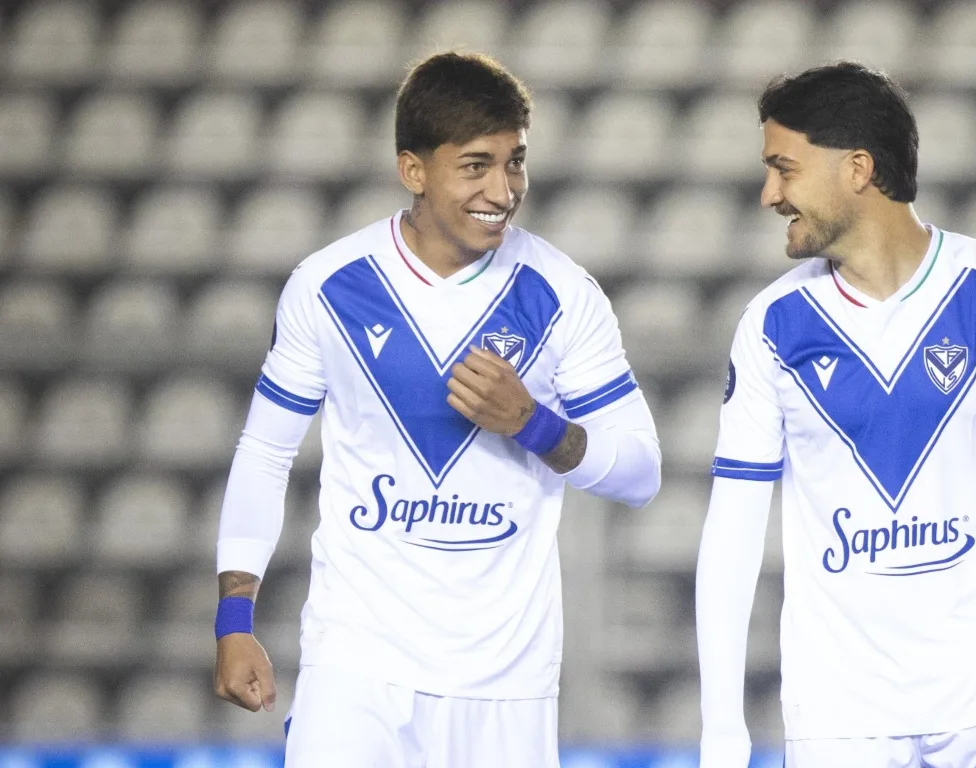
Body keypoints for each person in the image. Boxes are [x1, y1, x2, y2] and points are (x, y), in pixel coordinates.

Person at [211, 52, 662, 768]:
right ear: (413, 170)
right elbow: (265, 453)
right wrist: (235, 617)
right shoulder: (329, 286)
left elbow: (640, 471)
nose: (503, 189)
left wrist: (535, 425)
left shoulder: (563, 293)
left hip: (506, 682)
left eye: (515, 163)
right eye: (476, 165)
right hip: (357, 663)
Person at [695, 62, 976, 768]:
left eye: (784, 169)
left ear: (857, 168)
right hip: (837, 716)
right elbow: (730, 536)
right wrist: (721, 724)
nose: (768, 194)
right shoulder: (771, 326)